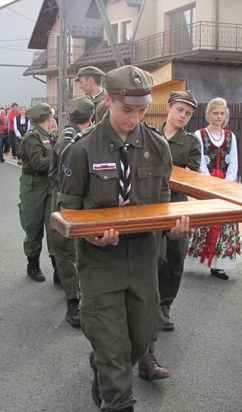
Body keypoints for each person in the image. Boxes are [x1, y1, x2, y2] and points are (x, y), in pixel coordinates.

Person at [58, 65, 191, 411]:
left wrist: (171, 227)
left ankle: (103, 366)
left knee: (142, 336)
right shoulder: (82, 149)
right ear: (111, 100)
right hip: (100, 261)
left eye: (142, 111)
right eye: (127, 110)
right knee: (114, 352)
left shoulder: (158, 146)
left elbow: (162, 203)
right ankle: (115, 393)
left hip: (145, 258)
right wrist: (92, 234)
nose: (134, 118)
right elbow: (68, 210)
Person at [156, 91, 201, 332]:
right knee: (153, 256)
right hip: (152, 206)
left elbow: (191, 177)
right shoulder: (150, 135)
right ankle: (149, 305)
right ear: (169, 108)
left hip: (177, 205)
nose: (183, 115)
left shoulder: (191, 142)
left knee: (174, 259)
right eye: (180, 110)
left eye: (188, 113)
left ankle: (164, 306)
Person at [48, 96, 95, 327]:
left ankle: (78, 300)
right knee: (69, 252)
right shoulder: (74, 140)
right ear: (92, 117)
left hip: (66, 197)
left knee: (68, 252)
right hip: (73, 198)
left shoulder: (68, 138)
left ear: (68, 116)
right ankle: (73, 303)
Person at [185, 97, 241, 280]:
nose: (219, 116)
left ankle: (219, 263)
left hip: (225, 187)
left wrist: (227, 183)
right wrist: (210, 184)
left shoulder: (230, 136)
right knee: (204, 223)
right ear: (208, 114)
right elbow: (199, 161)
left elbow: (234, 162)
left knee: (225, 224)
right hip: (207, 185)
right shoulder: (199, 135)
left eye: (222, 113)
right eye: (215, 113)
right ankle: (198, 256)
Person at [18, 102, 58, 283]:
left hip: (49, 184)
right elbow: (38, 163)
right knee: (33, 226)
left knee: (54, 227)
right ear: (48, 117)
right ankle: (32, 264)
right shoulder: (32, 137)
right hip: (33, 184)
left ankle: (59, 270)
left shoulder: (48, 134)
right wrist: (57, 155)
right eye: (52, 116)